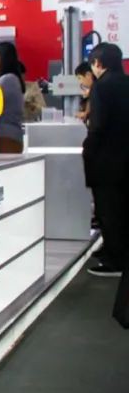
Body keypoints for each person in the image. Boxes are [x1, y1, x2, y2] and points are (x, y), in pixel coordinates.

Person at [83, 43, 129, 292]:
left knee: (108, 210)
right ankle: (117, 252)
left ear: (98, 63)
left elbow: (98, 126)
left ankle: (114, 260)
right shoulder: (126, 83)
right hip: (125, 158)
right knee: (121, 209)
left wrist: (88, 148)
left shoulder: (102, 87)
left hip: (107, 160)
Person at [0, 41, 26, 153]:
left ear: (1, 57)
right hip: (11, 136)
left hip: (4, 137)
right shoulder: (12, 79)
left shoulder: (6, 80)